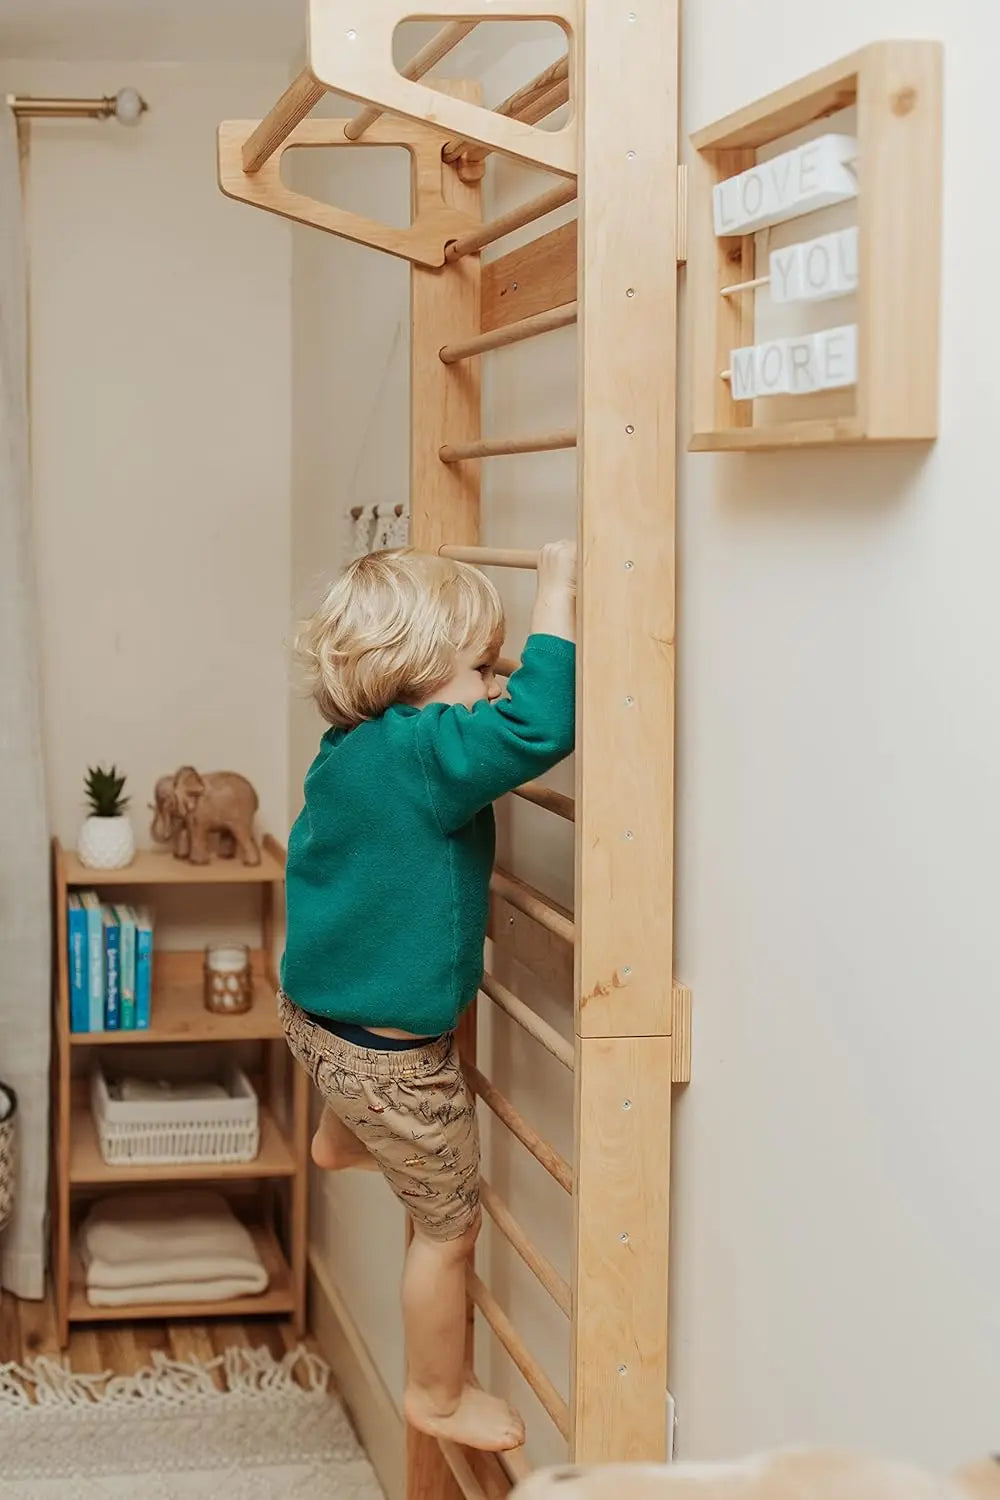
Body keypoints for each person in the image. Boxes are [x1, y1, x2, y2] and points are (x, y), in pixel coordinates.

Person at [280, 541, 576, 1453]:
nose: (494, 686)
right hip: (393, 1064)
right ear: (415, 669)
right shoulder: (426, 754)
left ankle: (341, 1138)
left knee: (358, 1094)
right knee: (448, 1230)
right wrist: (558, 589)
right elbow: (539, 729)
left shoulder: (352, 749)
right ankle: (435, 1393)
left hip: (316, 1025)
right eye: (481, 668)